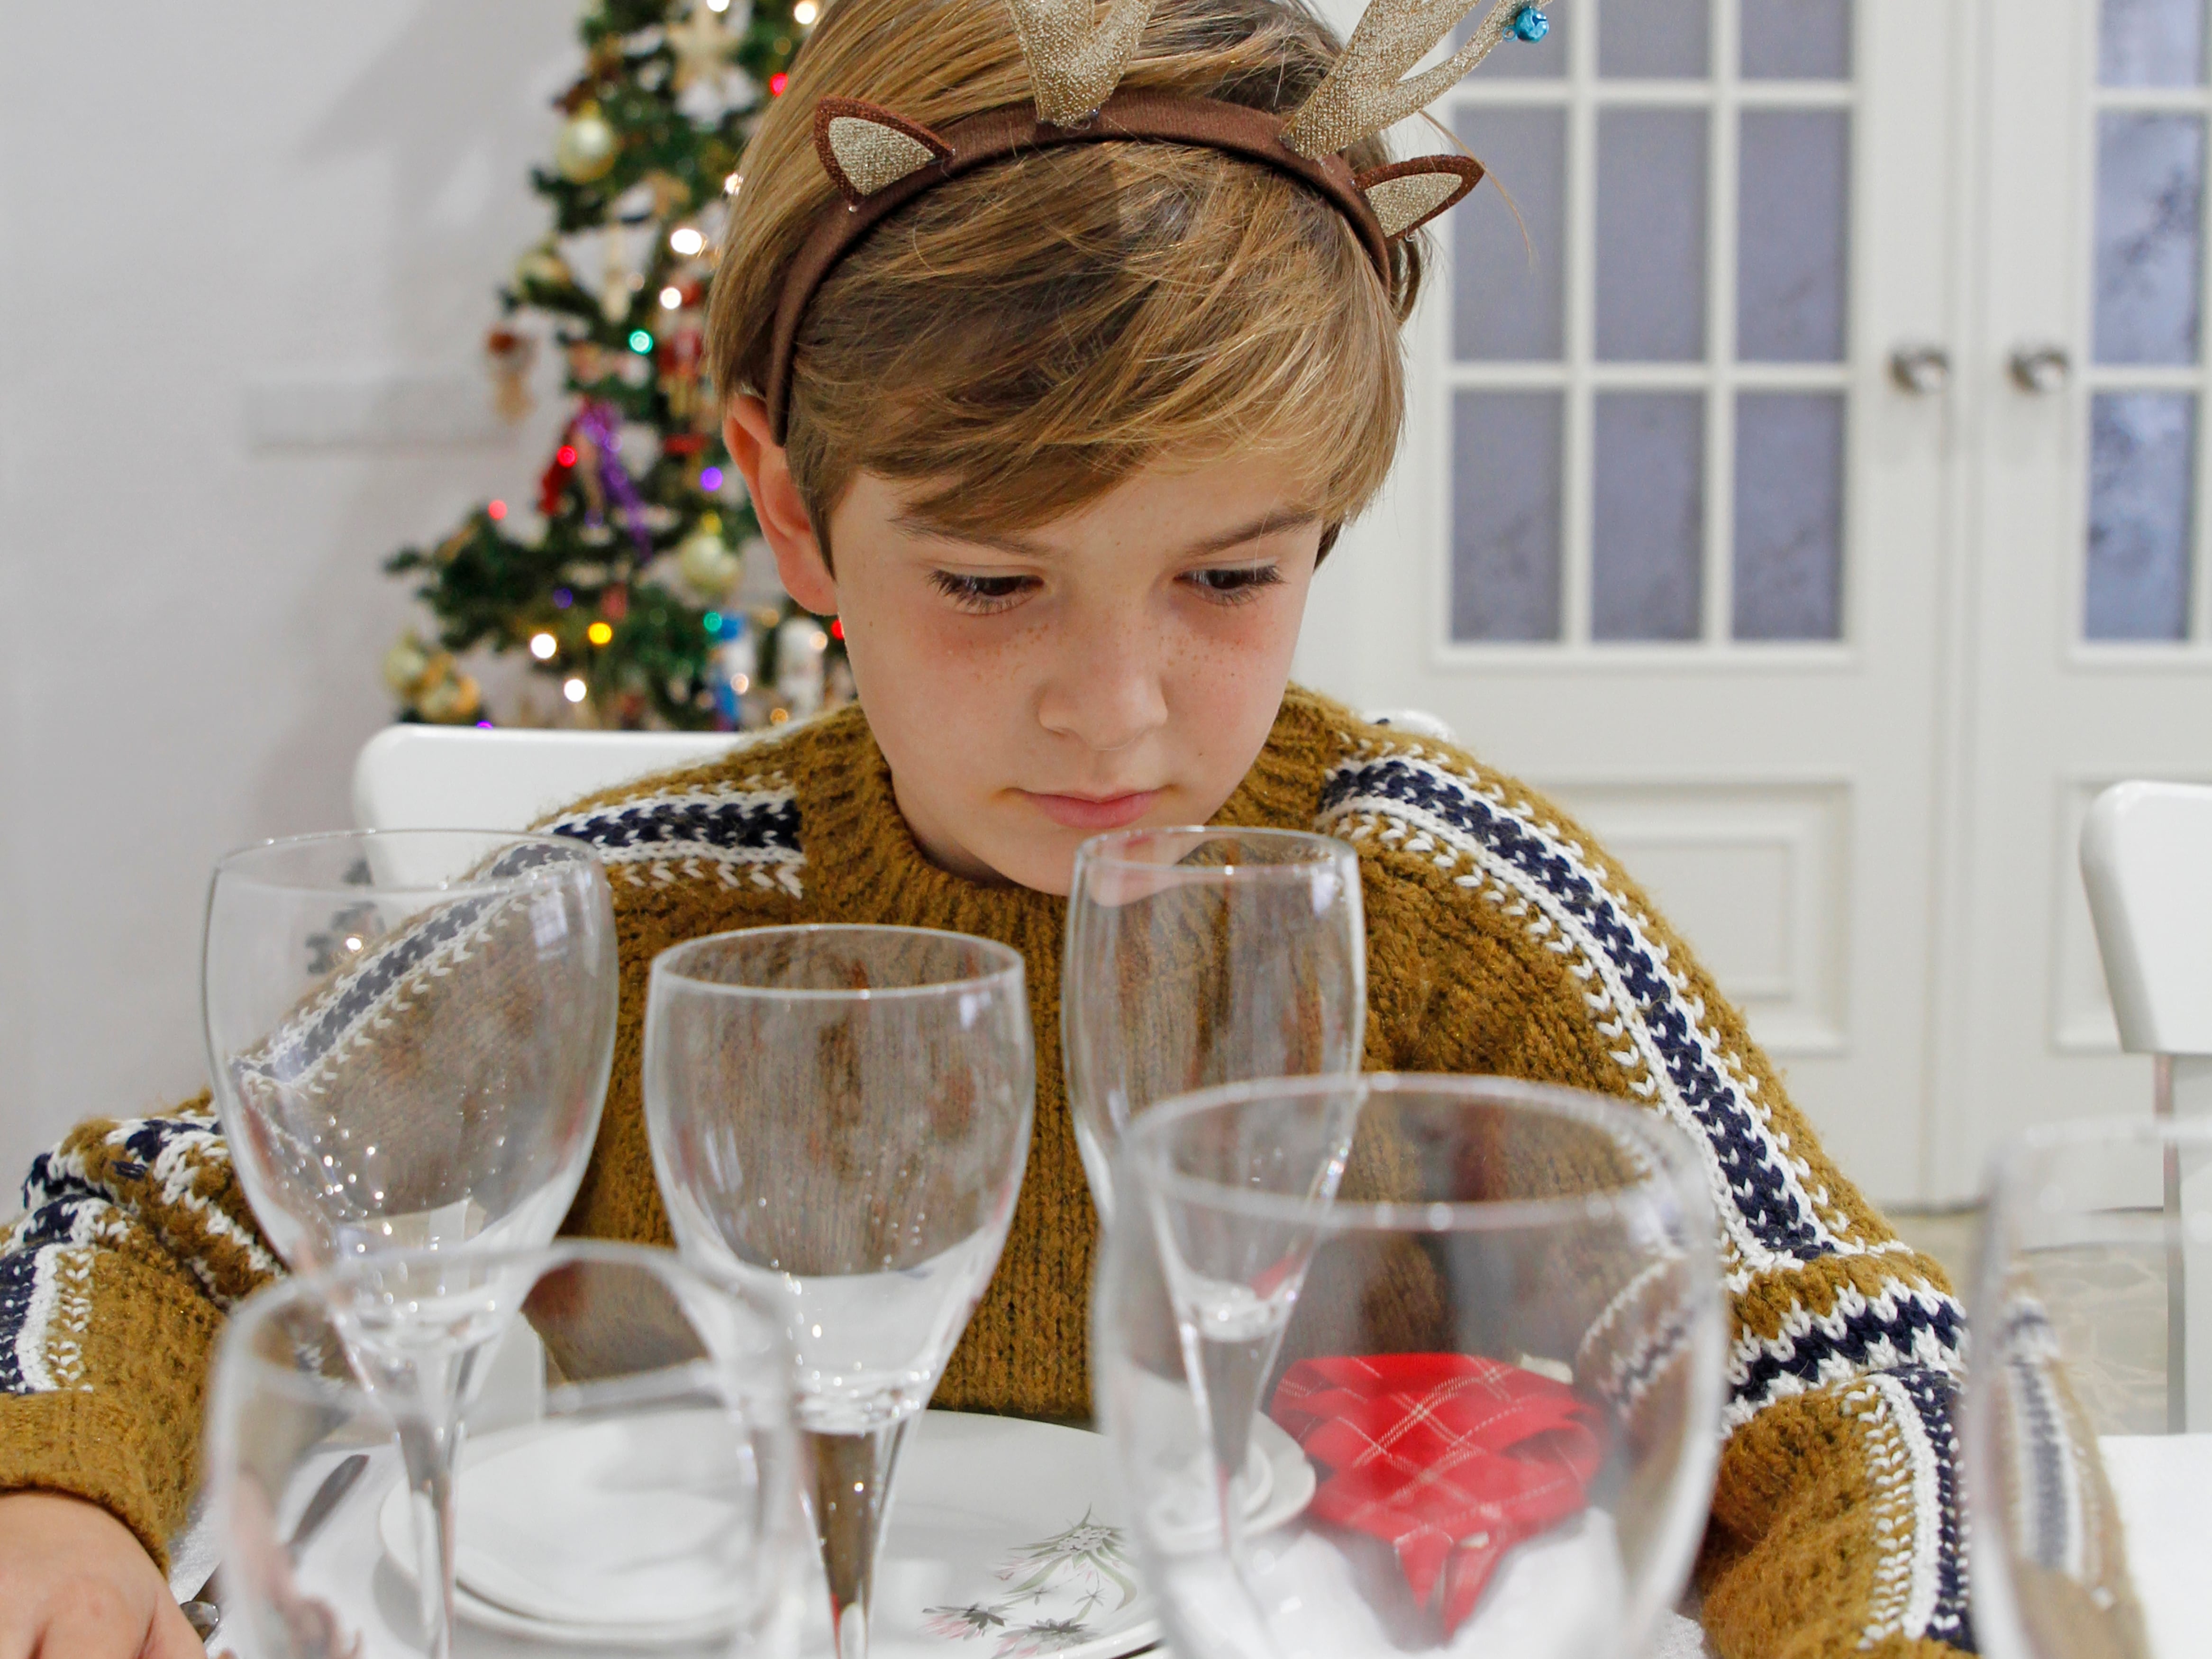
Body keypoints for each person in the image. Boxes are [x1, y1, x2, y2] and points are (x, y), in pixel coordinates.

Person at [0, 0, 1974, 1653]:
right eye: (991, 583)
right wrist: (56, 1503)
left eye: (1226, 581)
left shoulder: (1445, 903)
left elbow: (1874, 1382)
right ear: (793, 513)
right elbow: (156, 1215)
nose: (1114, 710)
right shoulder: (635, 909)